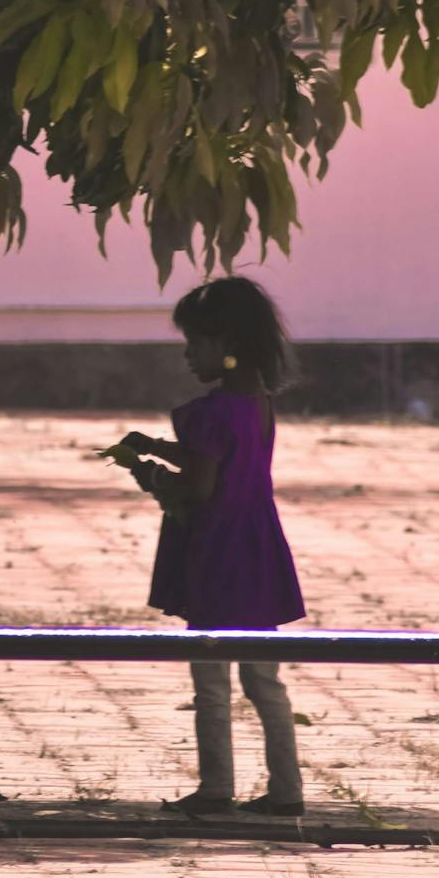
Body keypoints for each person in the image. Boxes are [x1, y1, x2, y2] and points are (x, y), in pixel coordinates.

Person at [107, 276, 306, 816]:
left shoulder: (210, 412)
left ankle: (217, 786)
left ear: (226, 343)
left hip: (217, 556)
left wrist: (149, 475)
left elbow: (198, 484)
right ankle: (287, 790)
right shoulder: (255, 403)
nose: (190, 356)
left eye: (196, 344)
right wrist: (159, 448)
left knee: (212, 678)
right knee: (264, 680)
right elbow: (216, 460)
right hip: (257, 549)